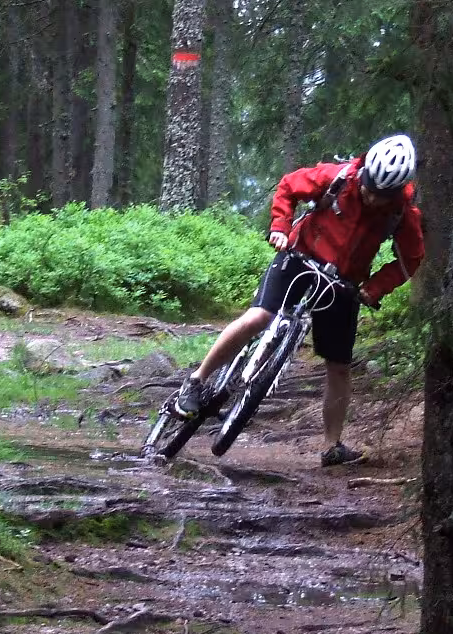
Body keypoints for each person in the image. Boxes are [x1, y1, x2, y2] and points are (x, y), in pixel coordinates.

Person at [174, 134, 425, 466]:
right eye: (369, 186)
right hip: (299, 257)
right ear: (364, 172)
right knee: (259, 318)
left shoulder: (402, 214)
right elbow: (289, 186)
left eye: (382, 195)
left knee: (339, 367)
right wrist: (280, 225)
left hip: (343, 284)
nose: (371, 196)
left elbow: (411, 259)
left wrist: (375, 287)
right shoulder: (338, 177)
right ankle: (195, 382)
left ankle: (332, 446)